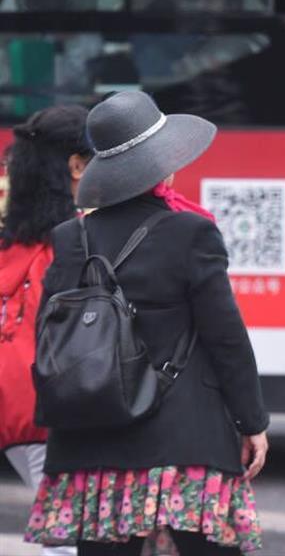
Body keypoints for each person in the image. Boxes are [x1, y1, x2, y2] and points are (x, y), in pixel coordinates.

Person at [24, 91, 270, 556]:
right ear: (161, 166)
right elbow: (225, 338)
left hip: (91, 444)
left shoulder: (71, 238)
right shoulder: (190, 233)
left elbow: (48, 335)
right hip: (182, 443)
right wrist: (251, 421)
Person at [0, 105, 91, 556]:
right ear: (76, 166)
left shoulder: (13, 241)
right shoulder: (75, 242)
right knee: (70, 539)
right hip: (48, 409)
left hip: (16, 407)